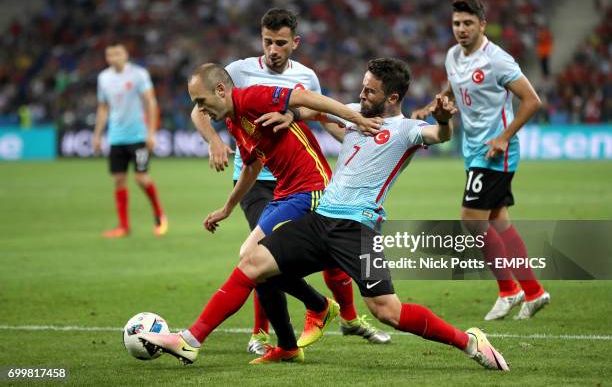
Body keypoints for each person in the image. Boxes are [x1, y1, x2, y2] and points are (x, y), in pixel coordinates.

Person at [139, 58, 510, 371]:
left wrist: (445, 120)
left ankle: (469, 342)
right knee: (253, 263)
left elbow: (439, 135)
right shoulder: (353, 117)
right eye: (363, 87)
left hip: (357, 228)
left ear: (392, 98)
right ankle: (190, 340)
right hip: (319, 221)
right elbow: (314, 110)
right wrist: (289, 115)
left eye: (370, 91)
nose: (361, 95)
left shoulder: (405, 130)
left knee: (387, 311)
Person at [191, 8, 389, 354]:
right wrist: (215, 141)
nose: (272, 49)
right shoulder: (237, 73)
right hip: (258, 181)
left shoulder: (306, 78)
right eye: (267, 42)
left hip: (298, 178)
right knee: (258, 256)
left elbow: (315, 111)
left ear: (294, 43)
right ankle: (265, 333)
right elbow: (202, 106)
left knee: (269, 256)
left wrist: (353, 139)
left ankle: (335, 315)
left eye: (280, 43)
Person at [412, 0, 549, 320]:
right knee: (498, 220)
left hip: (494, 151)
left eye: (468, 23)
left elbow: (532, 101)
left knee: (471, 219)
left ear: (482, 25)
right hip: (473, 148)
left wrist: (504, 136)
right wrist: (434, 106)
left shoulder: (497, 60)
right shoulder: (452, 56)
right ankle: (533, 291)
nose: (461, 29)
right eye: (457, 23)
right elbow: (454, 86)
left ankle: (508, 290)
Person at [93, 43, 167, 238]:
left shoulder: (138, 75)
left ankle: (160, 215)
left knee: (141, 179)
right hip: (116, 137)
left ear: (125, 54)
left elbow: (150, 103)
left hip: (138, 136)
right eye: (109, 55)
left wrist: (151, 133)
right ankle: (124, 226)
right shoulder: (103, 78)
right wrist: (97, 135)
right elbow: (103, 108)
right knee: (118, 180)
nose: (113, 58)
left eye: (117, 54)